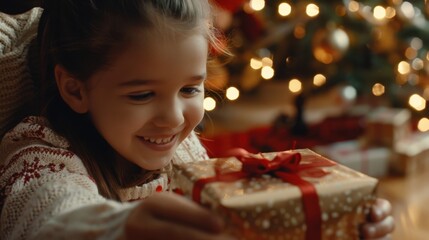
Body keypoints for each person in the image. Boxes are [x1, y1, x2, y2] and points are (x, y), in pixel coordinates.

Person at [0, 0, 394, 239]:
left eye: (190, 89)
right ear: (75, 90)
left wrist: (335, 223)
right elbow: (45, 217)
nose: (173, 119)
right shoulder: (38, 148)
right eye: (141, 94)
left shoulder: (184, 151)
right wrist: (114, 231)